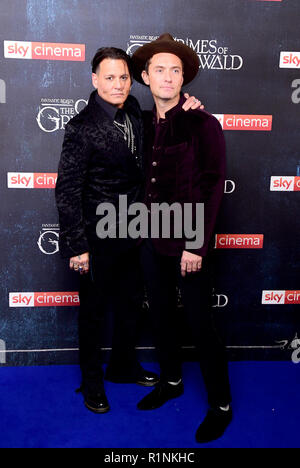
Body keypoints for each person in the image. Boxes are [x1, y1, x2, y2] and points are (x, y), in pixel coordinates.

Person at [55, 46, 202, 414]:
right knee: (92, 313)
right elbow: (67, 190)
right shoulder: (81, 127)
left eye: (123, 77)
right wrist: (77, 247)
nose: (119, 85)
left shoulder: (135, 109)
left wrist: (188, 106)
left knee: (130, 305)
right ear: (94, 79)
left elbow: (164, 122)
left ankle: (122, 365)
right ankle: (92, 383)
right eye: (109, 78)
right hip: (96, 237)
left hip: (135, 230)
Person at [131, 34, 232, 443]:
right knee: (159, 316)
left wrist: (196, 245)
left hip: (187, 244)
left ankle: (221, 405)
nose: (168, 76)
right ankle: (171, 380)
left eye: (176, 70)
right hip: (148, 241)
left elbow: (211, 186)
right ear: (145, 76)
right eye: (160, 69)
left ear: (184, 78)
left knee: (200, 324)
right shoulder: (137, 122)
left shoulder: (202, 123)